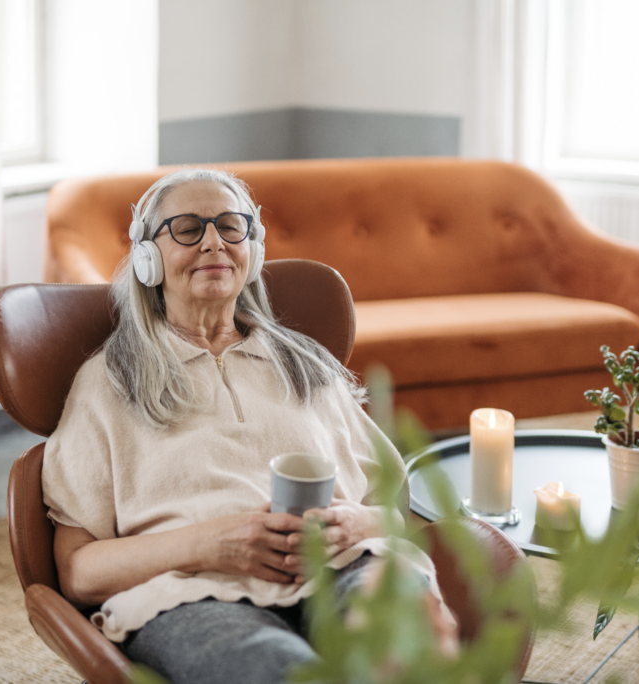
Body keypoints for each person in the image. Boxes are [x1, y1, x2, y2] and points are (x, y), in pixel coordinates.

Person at [41, 168, 454, 684]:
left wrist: (354, 523)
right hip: (189, 591)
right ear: (149, 259)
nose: (213, 241)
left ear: (251, 250)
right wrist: (209, 543)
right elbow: (78, 571)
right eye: (188, 228)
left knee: (407, 653)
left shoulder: (308, 366)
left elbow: (392, 507)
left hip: (348, 565)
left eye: (231, 226)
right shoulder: (107, 382)